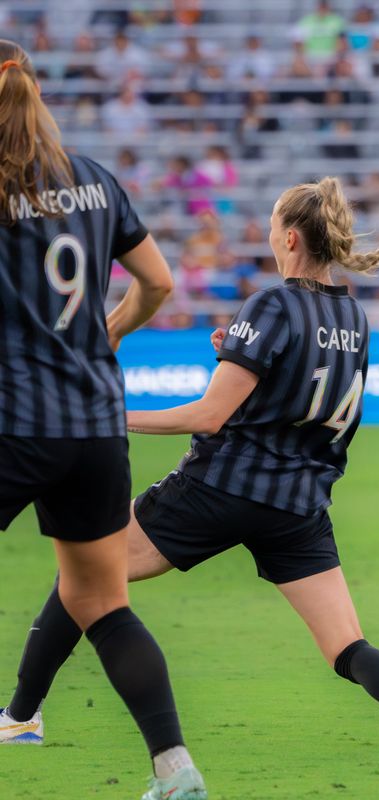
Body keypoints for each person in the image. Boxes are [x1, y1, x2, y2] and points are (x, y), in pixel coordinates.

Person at [1, 177, 379, 752]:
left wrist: (113, 416)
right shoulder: (355, 318)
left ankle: (20, 716)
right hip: (298, 506)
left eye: (269, 227)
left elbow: (212, 415)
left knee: (84, 578)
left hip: (220, 487)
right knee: (347, 646)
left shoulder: (272, 302)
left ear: (289, 237)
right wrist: (236, 351)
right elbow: (304, 391)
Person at [0, 44, 208, 800]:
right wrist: (109, 333)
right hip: (93, 423)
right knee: (99, 602)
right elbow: (158, 282)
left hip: (13, 419)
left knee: (94, 599)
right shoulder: (92, 179)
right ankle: (175, 769)